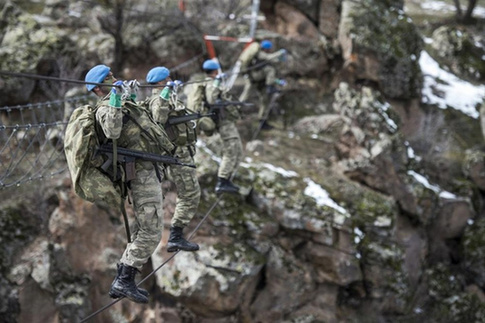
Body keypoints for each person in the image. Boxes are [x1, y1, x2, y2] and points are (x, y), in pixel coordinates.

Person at [84, 64, 175, 304]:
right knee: (151, 231)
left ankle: (125, 280)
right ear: (97, 89)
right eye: (108, 78)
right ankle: (123, 279)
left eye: (112, 74)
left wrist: (130, 96)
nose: (114, 78)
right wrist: (115, 97)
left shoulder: (120, 101)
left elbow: (142, 122)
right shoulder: (104, 108)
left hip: (149, 169)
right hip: (140, 172)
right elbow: (112, 131)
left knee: (143, 228)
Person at [145, 66, 200, 252]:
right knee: (190, 195)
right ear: (161, 81)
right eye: (168, 78)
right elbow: (159, 116)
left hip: (183, 154)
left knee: (190, 194)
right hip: (177, 156)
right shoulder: (157, 99)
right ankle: (175, 236)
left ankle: (176, 235)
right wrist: (166, 92)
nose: (171, 80)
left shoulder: (168, 96)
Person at [188, 59, 243, 194]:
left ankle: (227, 179)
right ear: (215, 70)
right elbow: (212, 99)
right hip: (223, 122)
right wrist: (218, 82)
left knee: (238, 150)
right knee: (231, 150)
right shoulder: (212, 83)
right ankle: (222, 180)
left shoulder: (209, 82)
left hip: (225, 121)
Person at [237, 39, 287, 130]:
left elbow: (270, 70)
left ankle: (262, 121)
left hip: (259, 80)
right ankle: (236, 110)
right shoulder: (260, 54)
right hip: (255, 77)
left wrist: (278, 81)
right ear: (266, 49)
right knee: (270, 70)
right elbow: (269, 58)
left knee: (265, 100)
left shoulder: (262, 57)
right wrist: (280, 53)